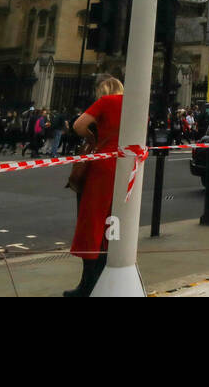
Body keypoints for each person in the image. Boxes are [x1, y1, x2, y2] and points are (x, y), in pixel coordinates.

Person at [65, 75, 123, 298]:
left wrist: (92, 137)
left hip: (103, 166)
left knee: (93, 221)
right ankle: (106, 279)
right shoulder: (132, 102)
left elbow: (78, 125)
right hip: (125, 165)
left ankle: (88, 285)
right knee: (113, 222)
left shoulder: (107, 102)